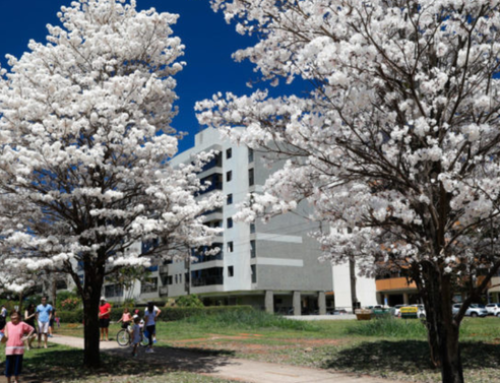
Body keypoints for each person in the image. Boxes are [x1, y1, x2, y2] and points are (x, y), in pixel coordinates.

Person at [4, 311, 35, 383]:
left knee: (17, 366)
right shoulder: (7, 324)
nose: (13, 317)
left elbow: (32, 329)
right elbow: (5, 336)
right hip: (9, 349)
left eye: (15, 315)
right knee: (8, 366)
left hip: (19, 349)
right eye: (12, 315)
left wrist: (27, 337)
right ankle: (8, 380)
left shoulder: (22, 324)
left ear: (19, 316)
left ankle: (16, 380)